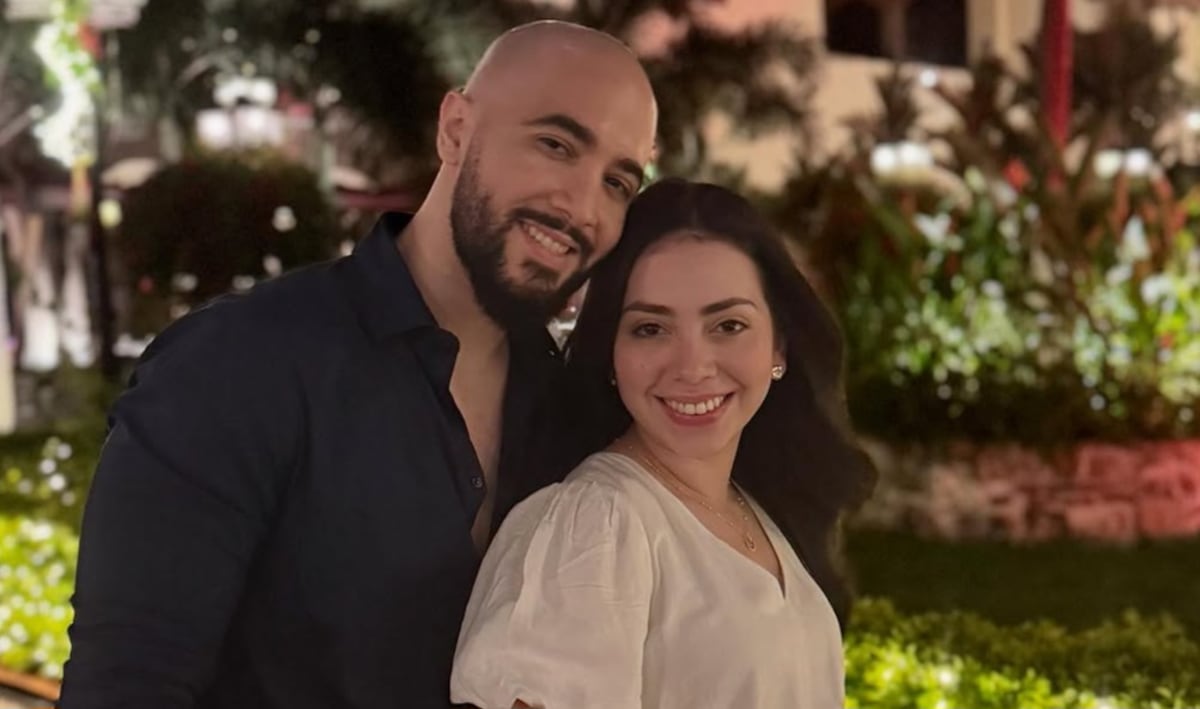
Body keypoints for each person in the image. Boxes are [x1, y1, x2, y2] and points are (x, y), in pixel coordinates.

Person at [59, 21, 657, 709]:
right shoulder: (240, 363)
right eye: (555, 144)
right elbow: (127, 684)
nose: (582, 206)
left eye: (618, 181)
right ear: (456, 130)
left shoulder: (571, 409)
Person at [450, 178, 876, 709]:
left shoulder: (757, 507)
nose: (692, 367)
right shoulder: (598, 526)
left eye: (728, 325)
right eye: (651, 329)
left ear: (779, 347)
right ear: (611, 353)